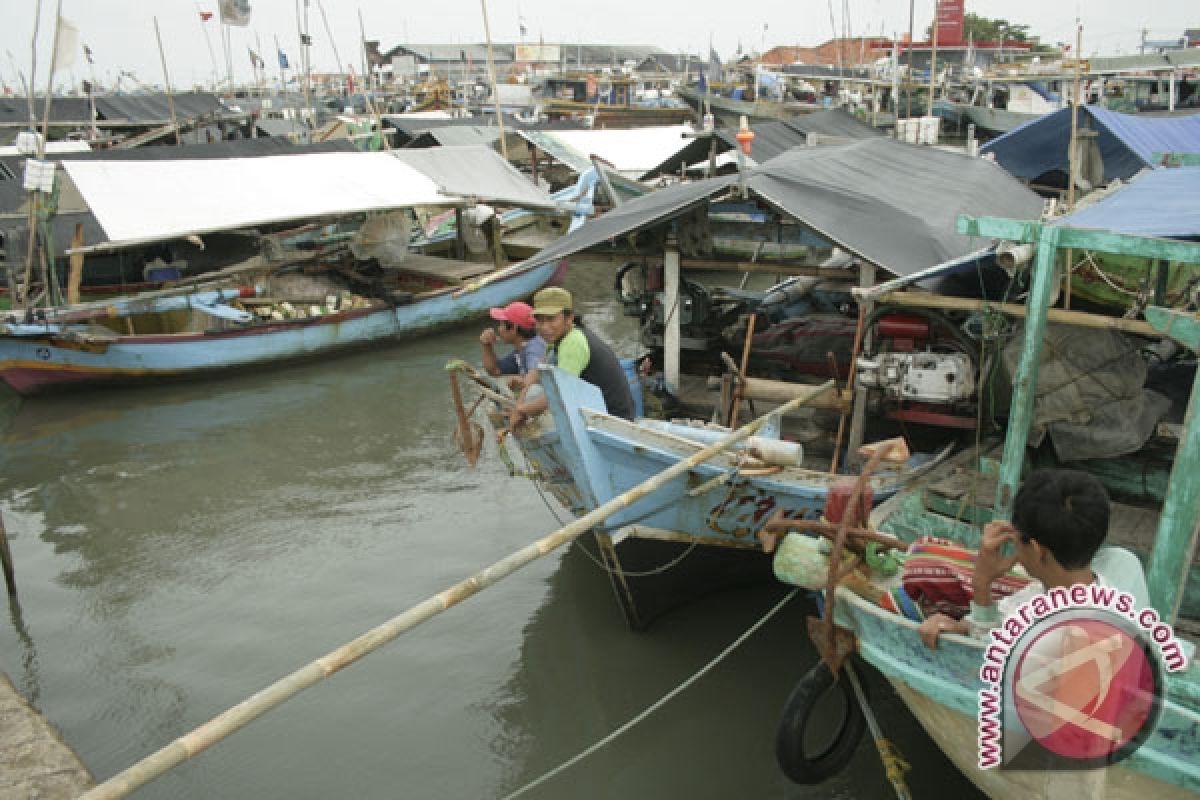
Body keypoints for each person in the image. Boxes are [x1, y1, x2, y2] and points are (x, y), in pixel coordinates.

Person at [919, 468, 1150, 649]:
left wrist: (982, 583)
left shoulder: (1033, 634)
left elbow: (983, 651)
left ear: (1038, 550)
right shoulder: (1117, 576)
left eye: (1017, 537)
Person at [508, 287, 635, 426]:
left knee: (538, 398)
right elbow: (537, 372)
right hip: (598, 412)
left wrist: (521, 411)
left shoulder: (573, 343)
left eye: (551, 319)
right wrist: (519, 404)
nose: (544, 327)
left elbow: (559, 395)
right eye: (539, 320)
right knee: (533, 392)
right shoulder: (558, 338)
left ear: (569, 318)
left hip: (612, 421)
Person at [479, 300, 544, 391]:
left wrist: (521, 380)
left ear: (514, 327)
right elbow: (495, 370)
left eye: (502, 324)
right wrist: (487, 345)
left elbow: (539, 378)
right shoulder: (521, 349)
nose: (499, 329)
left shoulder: (535, 347)